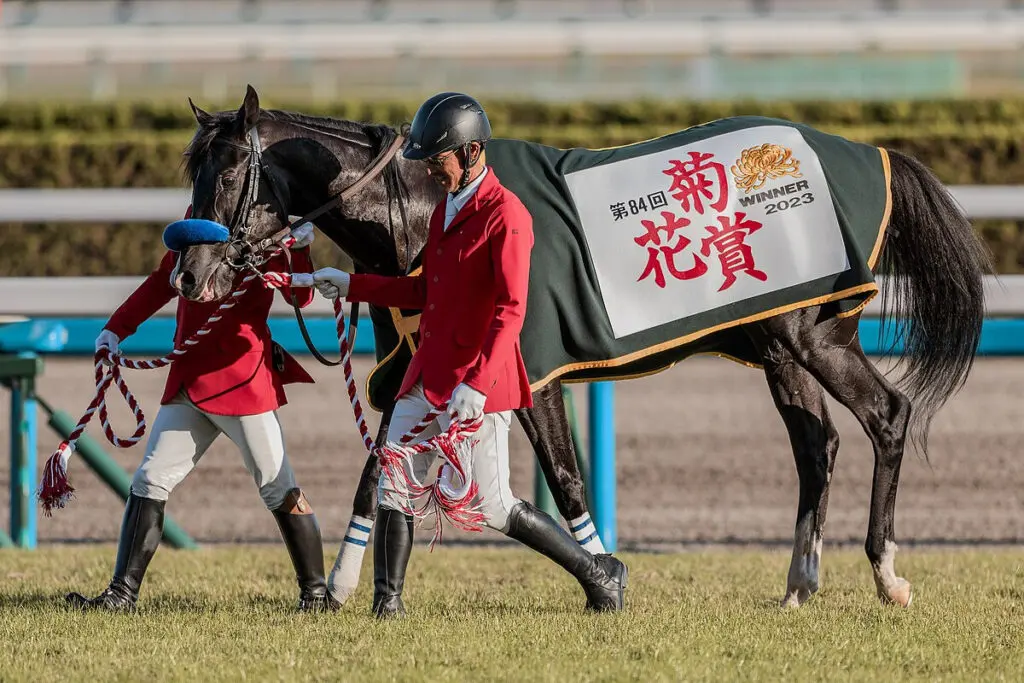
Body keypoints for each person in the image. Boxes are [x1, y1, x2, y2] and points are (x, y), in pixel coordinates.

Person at [312, 92, 628, 617]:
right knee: (394, 478)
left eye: (438, 161)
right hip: (429, 373)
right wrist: (349, 284)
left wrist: (477, 386)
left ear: (473, 152)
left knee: (495, 507)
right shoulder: (446, 211)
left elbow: (510, 311)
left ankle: (600, 574)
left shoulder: (508, 217)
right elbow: (423, 293)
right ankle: (386, 605)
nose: (431, 172)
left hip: (478, 384)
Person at [65, 215, 337, 613]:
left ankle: (315, 595)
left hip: (241, 383)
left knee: (277, 486)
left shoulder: (267, 228)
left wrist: (300, 250)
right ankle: (122, 595)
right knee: (150, 479)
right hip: (190, 380)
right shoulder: (195, 223)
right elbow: (162, 280)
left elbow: (301, 298)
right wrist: (115, 329)